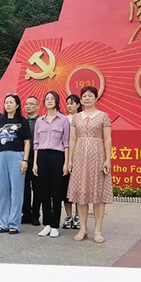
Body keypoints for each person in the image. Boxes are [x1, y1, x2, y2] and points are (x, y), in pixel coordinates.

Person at [67, 85, 113, 244]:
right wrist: (70, 159)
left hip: (98, 156)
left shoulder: (103, 116)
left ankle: (98, 230)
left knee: (98, 194)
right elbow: (73, 139)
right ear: (81, 100)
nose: (87, 98)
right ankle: (83, 229)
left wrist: (108, 159)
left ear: (96, 98)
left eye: (90, 95)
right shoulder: (76, 117)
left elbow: (107, 138)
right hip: (80, 157)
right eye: (84, 96)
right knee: (81, 194)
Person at [33, 91, 70, 238]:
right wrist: (35, 163)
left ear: (57, 101)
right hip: (42, 156)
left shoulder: (64, 120)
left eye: (52, 99)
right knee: (44, 192)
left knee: (56, 192)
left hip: (57, 156)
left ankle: (55, 225)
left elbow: (66, 143)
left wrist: (66, 162)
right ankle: (47, 224)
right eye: (47, 99)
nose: (49, 101)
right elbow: (36, 143)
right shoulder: (39, 121)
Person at [0, 94, 31, 234]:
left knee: (17, 191)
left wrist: (25, 160)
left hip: (17, 155)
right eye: (6, 102)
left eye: (11, 102)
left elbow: (27, 142)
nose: (8, 104)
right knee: (2, 190)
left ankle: (14, 223)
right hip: (2, 155)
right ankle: (3, 222)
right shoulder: (0, 121)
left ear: (17, 105)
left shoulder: (22, 121)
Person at [62, 94, 82, 231]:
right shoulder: (64, 119)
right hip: (65, 156)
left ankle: (79, 216)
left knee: (78, 188)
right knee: (65, 187)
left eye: (72, 103)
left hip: (79, 155)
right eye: (67, 103)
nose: (69, 106)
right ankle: (68, 216)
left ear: (78, 105)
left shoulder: (82, 118)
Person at [21, 96, 41, 226]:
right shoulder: (22, 121)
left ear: (37, 106)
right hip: (23, 157)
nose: (28, 106)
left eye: (31, 104)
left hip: (37, 157)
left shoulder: (42, 121)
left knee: (37, 188)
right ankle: (26, 214)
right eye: (26, 104)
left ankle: (35, 215)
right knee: (24, 188)